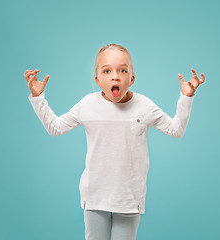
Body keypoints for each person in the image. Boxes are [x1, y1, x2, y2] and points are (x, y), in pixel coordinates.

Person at [25, 43, 205, 240]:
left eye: (122, 70)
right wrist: (37, 96)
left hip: (129, 199)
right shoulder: (87, 104)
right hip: (95, 197)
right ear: (98, 79)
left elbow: (175, 130)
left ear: (132, 78)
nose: (115, 76)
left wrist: (186, 97)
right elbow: (55, 127)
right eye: (107, 70)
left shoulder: (144, 106)